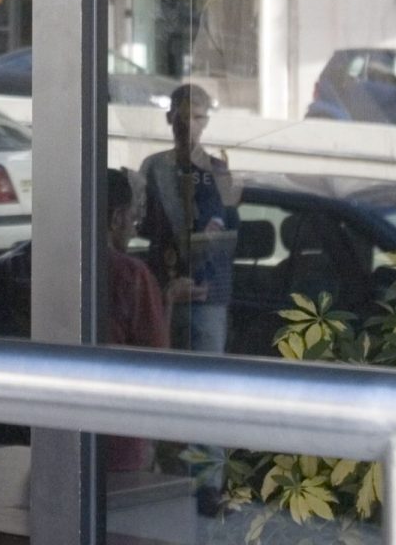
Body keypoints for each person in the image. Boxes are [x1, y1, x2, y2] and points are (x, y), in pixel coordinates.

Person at [138, 82, 238, 511]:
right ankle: (168, 474)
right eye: (182, 117)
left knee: (204, 389)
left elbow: (233, 230)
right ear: (169, 120)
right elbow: (142, 225)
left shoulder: (218, 169)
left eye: (197, 117)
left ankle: (207, 483)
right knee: (161, 385)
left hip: (207, 296)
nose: (188, 126)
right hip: (165, 290)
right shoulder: (153, 167)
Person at [103, 167, 169, 473]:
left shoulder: (47, 265)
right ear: (116, 218)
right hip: (119, 435)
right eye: (132, 219)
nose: (133, 229)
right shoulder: (131, 276)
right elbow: (155, 360)